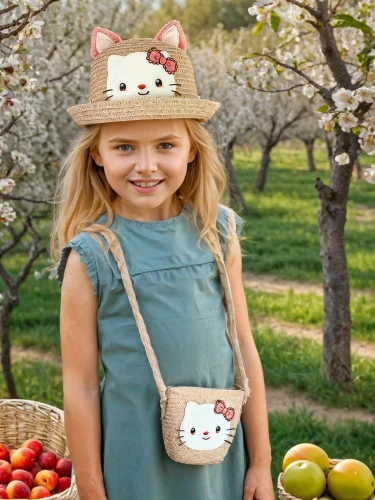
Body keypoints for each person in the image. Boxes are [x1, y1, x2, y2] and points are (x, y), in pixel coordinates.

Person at [51, 19, 274, 500]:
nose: (146, 165)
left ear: (192, 150)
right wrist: (91, 488)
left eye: (166, 145)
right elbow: (82, 385)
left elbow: (244, 350)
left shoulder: (217, 231)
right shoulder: (91, 256)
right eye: (124, 147)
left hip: (219, 447)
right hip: (135, 458)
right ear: (97, 155)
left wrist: (260, 462)